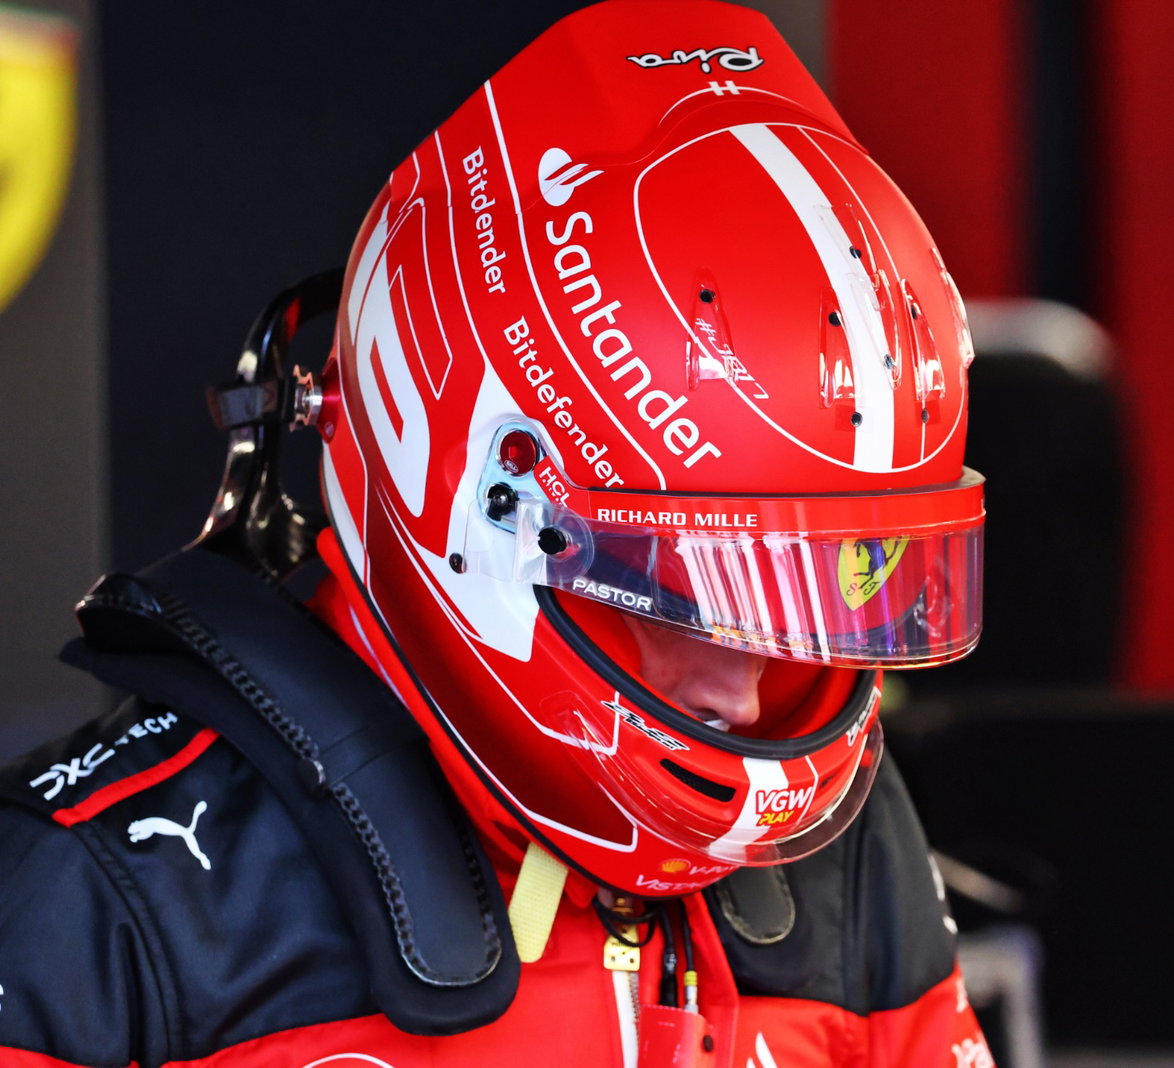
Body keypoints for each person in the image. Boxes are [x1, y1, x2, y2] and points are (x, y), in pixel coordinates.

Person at [0, 2, 994, 1065]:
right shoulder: (98, 900)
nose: (747, 694)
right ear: (468, 500)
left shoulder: (842, 845)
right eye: (697, 597)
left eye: (822, 588)